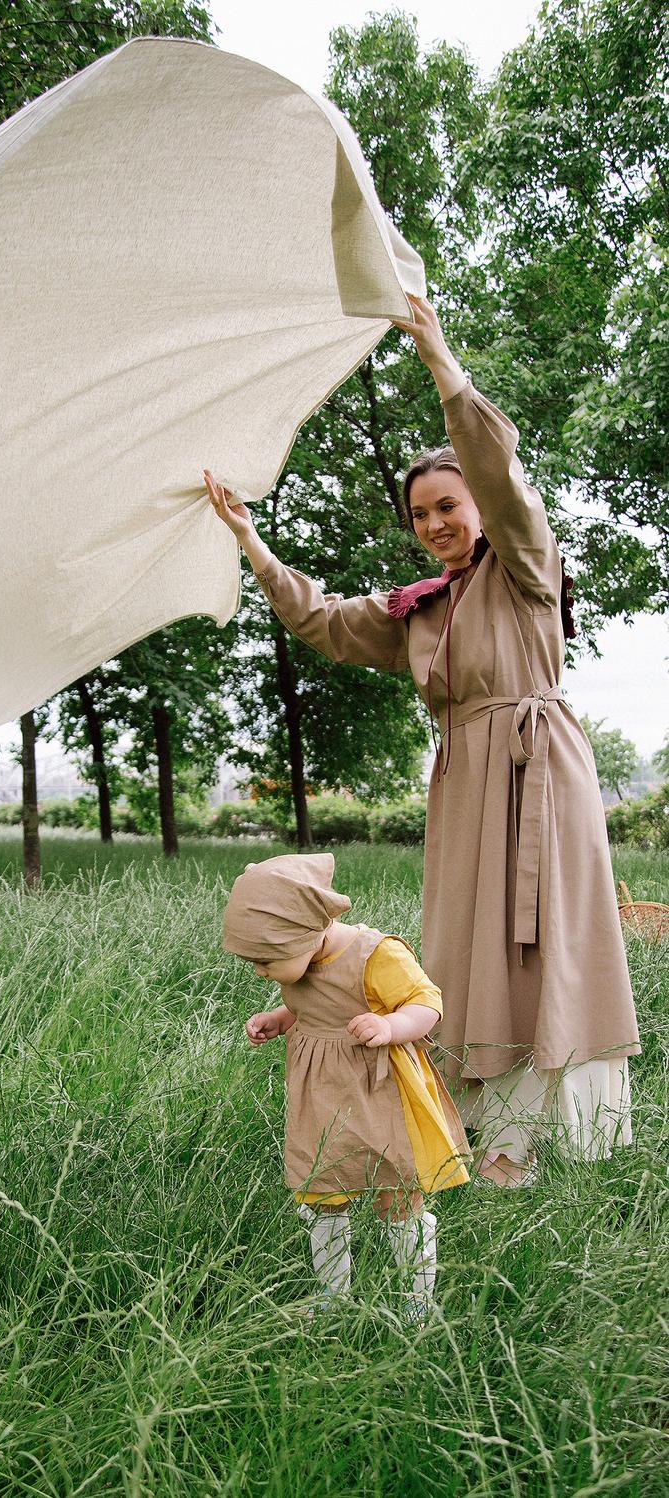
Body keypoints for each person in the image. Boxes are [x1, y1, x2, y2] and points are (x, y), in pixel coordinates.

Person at [205, 293, 640, 1186]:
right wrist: (251, 542)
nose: (437, 523)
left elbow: (500, 470)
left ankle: (528, 1140)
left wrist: (439, 356)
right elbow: (324, 619)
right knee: (464, 952)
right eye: (421, 515)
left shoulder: (525, 568)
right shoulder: (418, 611)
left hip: (538, 774)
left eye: (450, 505)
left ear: (479, 506)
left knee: (540, 947)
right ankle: (471, 1125)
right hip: (465, 786)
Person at [224, 852, 469, 1319]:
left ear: (308, 933)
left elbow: (428, 1003)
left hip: (379, 1093)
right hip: (322, 1098)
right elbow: (311, 1007)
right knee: (322, 1190)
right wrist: (280, 1019)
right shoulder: (300, 958)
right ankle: (333, 1295)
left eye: (266, 961)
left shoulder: (375, 956)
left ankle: (417, 1302)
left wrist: (393, 1025)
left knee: (396, 1191)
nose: (260, 971)